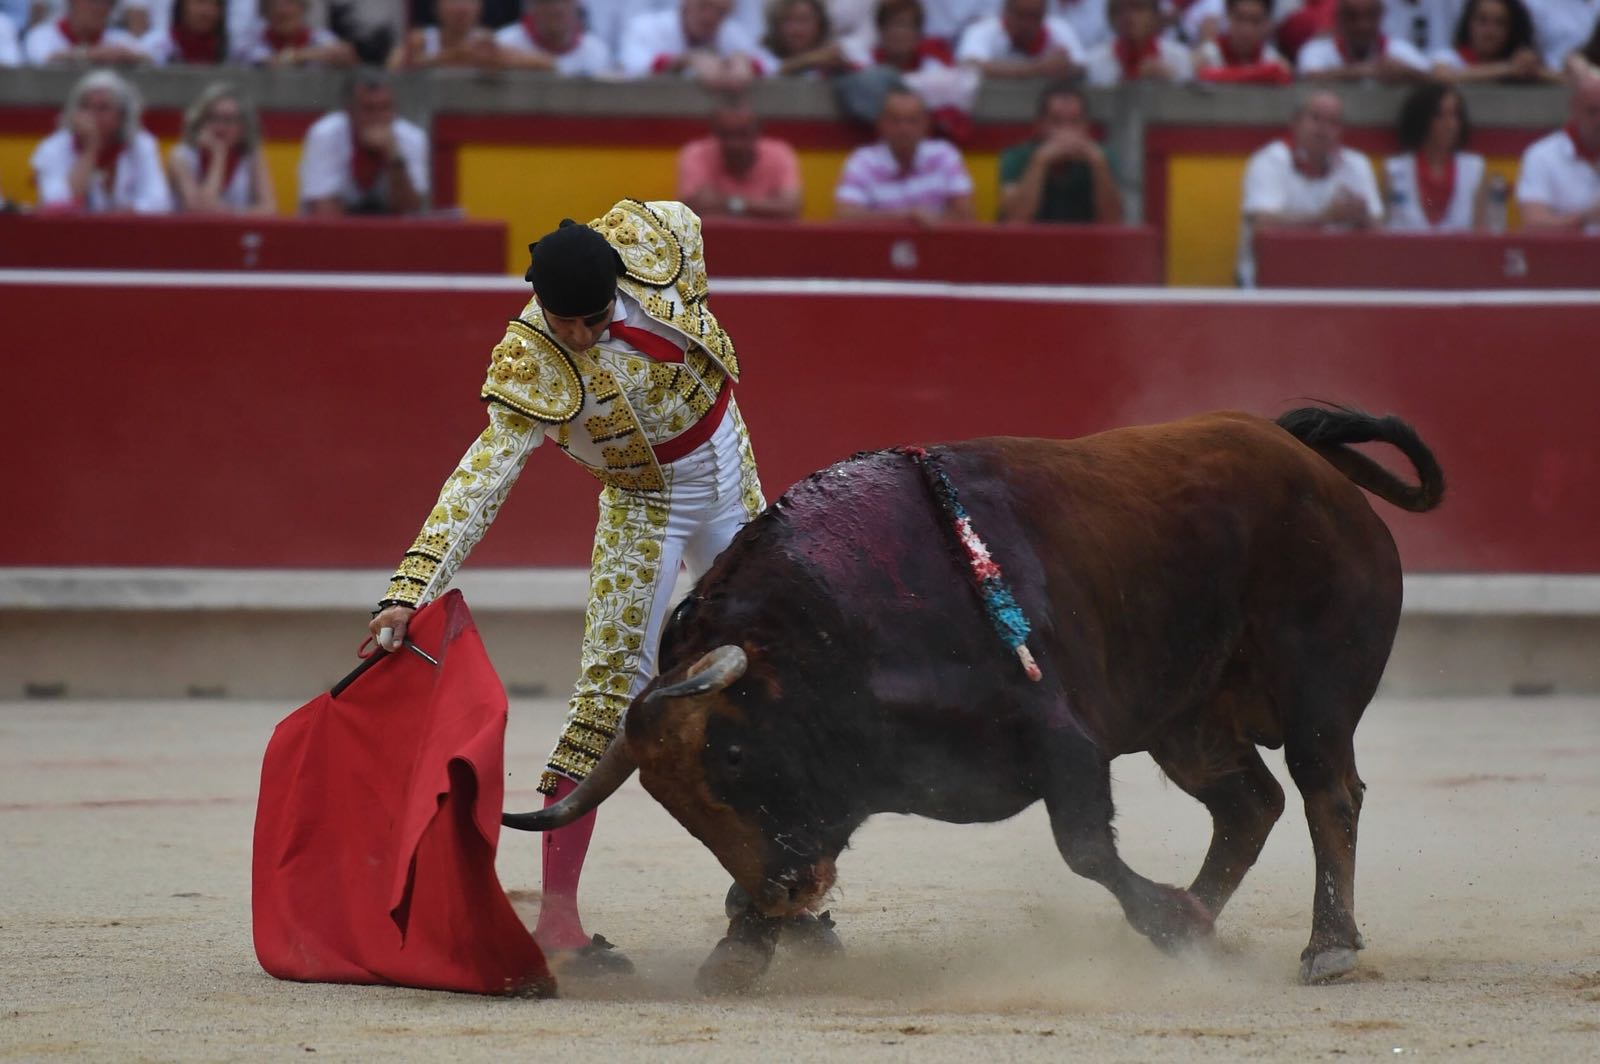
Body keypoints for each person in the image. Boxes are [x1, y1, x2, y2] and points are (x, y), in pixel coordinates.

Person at [367, 200, 768, 974]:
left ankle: (776, 894)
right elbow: (480, 480)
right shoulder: (533, 359)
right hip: (646, 504)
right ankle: (557, 919)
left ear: (616, 288)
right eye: (562, 320)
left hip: (732, 469)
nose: (577, 336)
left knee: (777, 673)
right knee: (610, 698)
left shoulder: (664, 240)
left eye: (587, 319)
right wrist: (411, 588)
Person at [1235, 89, 1382, 286]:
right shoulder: (1269, 160)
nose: (1323, 129)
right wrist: (1326, 218)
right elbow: (1263, 227)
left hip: (1336, 279)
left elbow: (1378, 229)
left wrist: (1363, 218)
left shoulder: (1356, 164)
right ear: (1295, 122)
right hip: (1270, 281)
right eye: (1316, 118)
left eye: (1333, 123)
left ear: (1342, 131)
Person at [30, 69, 172, 213]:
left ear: (122, 115)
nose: (91, 115)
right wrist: (90, 150)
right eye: (85, 106)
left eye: (103, 108)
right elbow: (57, 203)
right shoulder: (52, 147)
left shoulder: (141, 144)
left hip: (129, 233)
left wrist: (118, 217)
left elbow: (159, 201)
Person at [834, 84, 974, 221]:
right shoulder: (863, 161)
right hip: (878, 244)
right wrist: (905, 217)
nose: (904, 129)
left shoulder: (944, 154)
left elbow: (966, 215)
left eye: (912, 121)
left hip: (936, 243)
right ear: (880, 123)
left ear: (926, 124)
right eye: (895, 120)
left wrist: (930, 223)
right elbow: (844, 216)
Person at [298, 69, 429, 215]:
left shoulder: (413, 138)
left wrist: (394, 156)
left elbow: (410, 211)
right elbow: (323, 214)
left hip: (393, 236)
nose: (378, 117)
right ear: (350, 111)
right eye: (369, 109)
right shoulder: (324, 135)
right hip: (338, 235)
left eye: (386, 108)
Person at [997, 81, 1122, 224]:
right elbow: (1015, 219)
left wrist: (1099, 165)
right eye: (1056, 122)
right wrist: (1039, 162)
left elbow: (1113, 220)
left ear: (1086, 126)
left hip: (1083, 244)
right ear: (1039, 125)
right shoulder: (1017, 157)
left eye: (1075, 122)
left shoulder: (1101, 158)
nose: (1066, 131)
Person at [676, 94, 803, 217]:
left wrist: (731, 203)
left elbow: (790, 208)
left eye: (743, 134)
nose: (734, 144)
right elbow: (689, 211)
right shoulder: (695, 154)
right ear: (714, 133)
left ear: (757, 132)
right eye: (726, 135)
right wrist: (765, 207)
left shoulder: (780, 154)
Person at [1382, 82, 1485, 231]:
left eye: (1454, 115)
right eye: (1440, 116)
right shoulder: (1393, 169)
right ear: (1422, 119)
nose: (1450, 124)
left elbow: (1479, 235)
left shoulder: (1474, 169)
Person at [168, 82, 276, 214]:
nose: (221, 126)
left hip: (238, 232)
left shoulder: (252, 155)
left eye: (229, 119)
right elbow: (198, 211)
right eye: (213, 118)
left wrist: (228, 213)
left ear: (243, 125)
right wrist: (219, 156)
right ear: (201, 121)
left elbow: (269, 208)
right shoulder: (182, 156)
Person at [1515, 74, 1600, 231]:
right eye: (1592, 111)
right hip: (1565, 254)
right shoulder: (1541, 156)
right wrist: (1586, 218)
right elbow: (1534, 225)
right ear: (1575, 110)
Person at [618, 0, 772, 84]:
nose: (710, 16)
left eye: (720, 11)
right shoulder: (647, 27)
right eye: (704, 5)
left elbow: (771, 66)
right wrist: (686, 61)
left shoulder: (730, 32)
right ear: (685, 3)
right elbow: (633, 68)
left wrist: (745, 63)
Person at [1296, 0, 1431, 81]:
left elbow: (1434, 79)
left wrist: (1406, 73)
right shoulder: (1317, 49)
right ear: (1339, 17)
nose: (1362, 25)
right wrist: (1362, 71)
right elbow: (1308, 78)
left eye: (1370, 16)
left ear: (1380, 16)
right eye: (1352, 16)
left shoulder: (1398, 49)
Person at [954, 0, 1087, 80]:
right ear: (1006, 12)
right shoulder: (981, 30)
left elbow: (1081, 66)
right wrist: (1037, 69)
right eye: (1020, 15)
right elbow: (970, 65)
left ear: (1043, 16)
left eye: (1033, 16)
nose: (1026, 24)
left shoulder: (1059, 28)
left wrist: (1065, 66)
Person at [1430, 0, 1552, 81]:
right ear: (1469, 23)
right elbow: (1441, 76)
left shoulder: (1520, 68)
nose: (1490, 31)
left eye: (1499, 23)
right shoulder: (1449, 58)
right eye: (1482, 21)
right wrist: (1508, 69)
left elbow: (1564, 79)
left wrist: (1532, 69)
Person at [1083, 0, 1195, 84]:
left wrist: (1170, 80)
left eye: (1138, 9)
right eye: (1120, 11)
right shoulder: (1093, 63)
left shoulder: (1178, 57)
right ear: (1112, 18)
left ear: (1154, 15)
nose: (1129, 17)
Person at [495, 0, 614, 73]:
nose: (557, 8)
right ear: (530, 5)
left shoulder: (597, 51)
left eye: (565, 0)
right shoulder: (503, 43)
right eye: (547, 1)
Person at [1193, 0, 1293, 83]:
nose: (1247, 29)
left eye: (1255, 21)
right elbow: (1202, 75)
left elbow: (1283, 75)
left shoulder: (1272, 58)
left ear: (1266, 23)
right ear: (1228, 17)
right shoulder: (1207, 55)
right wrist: (1266, 73)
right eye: (1240, 19)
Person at [231, 0, 356, 65]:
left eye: (290, 3)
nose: (283, 11)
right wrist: (303, 55)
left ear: (302, 8)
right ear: (266, 12)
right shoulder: (251, 40)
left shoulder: (320, 37)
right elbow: (269, 63)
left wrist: (291, 57)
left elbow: (346, 55)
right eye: (275, 5)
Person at [22, 0, 147, 63]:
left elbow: (148, 59)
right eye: (93, 1)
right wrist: (89, 55)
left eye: (107, 2)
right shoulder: (41, 35)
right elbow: (43, 61)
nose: (99, 8)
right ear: (71, 2)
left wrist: (128, 56)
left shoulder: (119, 38)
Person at [390, 0, 500, 68]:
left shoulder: (487, 39)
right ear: (436, 6)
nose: (461, 8)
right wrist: (453, 56)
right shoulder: (421, 40)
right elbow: (393, 67)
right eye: (452, 1)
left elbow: (514, 61)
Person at [761, 0, 853, 74]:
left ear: (820, 25)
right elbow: (768, 71)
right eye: (788, 21)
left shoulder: (833, 66)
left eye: (804, 20)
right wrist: (807, 60)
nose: (795, 29)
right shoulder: (761, 55)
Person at [143, 0, 229, 63]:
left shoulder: (229, 51)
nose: (206, 11)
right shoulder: (161, 45)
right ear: (183, 5)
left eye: (215, 4)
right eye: (200, 2)